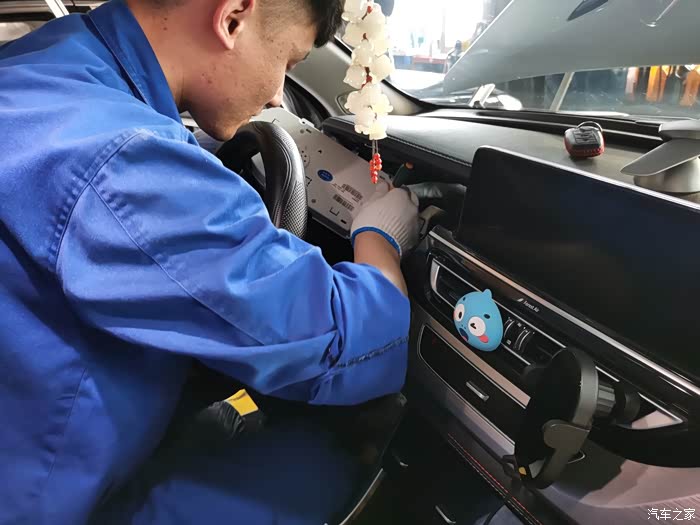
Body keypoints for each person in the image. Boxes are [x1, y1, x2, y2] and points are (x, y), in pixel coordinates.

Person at [0, 0, 420, 523]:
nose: (277, 94)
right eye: (287, 62)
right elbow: (346, 340)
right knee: (323, 461)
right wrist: (379, 238)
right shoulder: (122, 161)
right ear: (232, 17)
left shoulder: (51, 59)